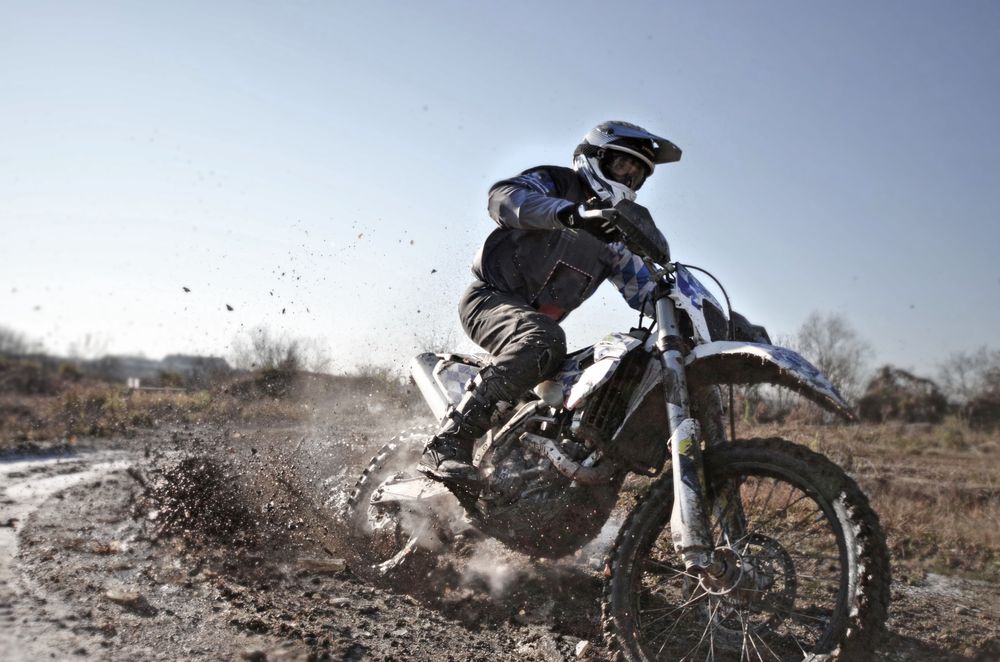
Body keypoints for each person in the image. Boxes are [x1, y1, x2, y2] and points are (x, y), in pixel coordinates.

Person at [419, 121, 682, 488]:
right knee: (544, 340)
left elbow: (646, 287)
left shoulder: (615, 237)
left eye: (637, 175)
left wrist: (708, 318)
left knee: (607, 371)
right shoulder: (557, 183)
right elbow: (504, 198)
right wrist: (569, 214)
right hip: (489, 300)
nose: (628, 179)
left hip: (536, 332)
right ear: (595, 158)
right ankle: (447, 442)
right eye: (623, 165)